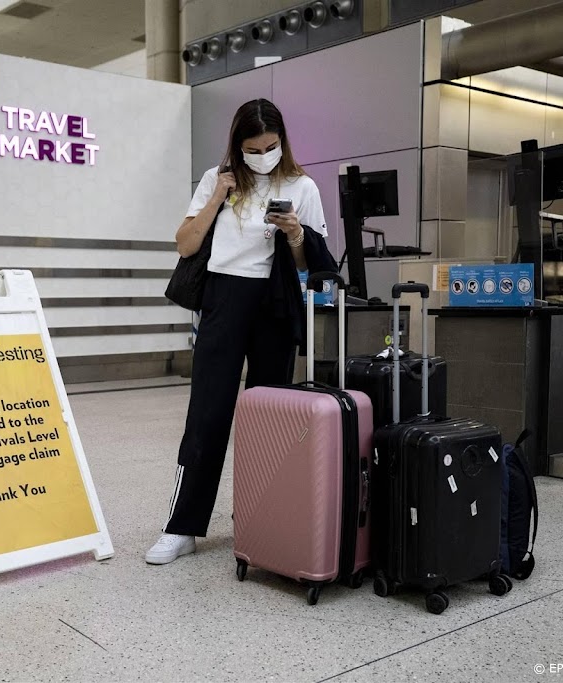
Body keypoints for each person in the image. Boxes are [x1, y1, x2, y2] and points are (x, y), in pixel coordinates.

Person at [146, 98, 336, 565]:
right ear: (238, 145)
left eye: (271, 146)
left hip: (274, 302)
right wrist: (217, 197)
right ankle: (183, 526)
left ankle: (263, 519)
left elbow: (311, 264)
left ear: (282, 141)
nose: (263, 154)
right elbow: (185, 243)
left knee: (269, 415)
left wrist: (294, 233)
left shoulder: (303, 185)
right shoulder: (217, 179)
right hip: (223, 300)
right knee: (207, 413)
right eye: (253, 148)